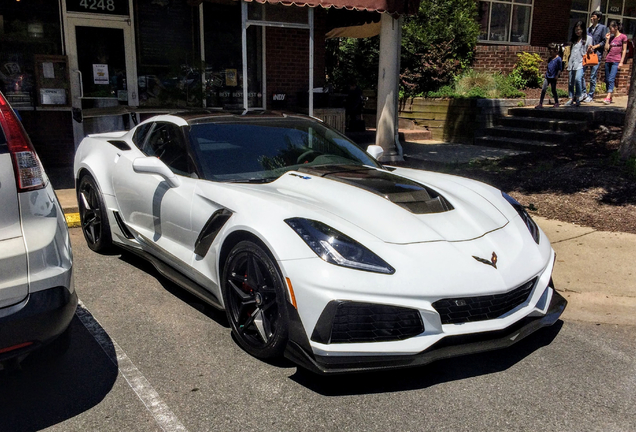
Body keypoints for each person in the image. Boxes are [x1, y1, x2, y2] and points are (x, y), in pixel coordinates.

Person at [564, 21, 592, 107]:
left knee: (578, 79)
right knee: (570, 81)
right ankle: (571, 97)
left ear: (583, 29)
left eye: (579, 29)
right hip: (572, 62)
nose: (577, 31)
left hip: (581, 62)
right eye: (576, 30)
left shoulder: (588, 38)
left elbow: (590, 52)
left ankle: (578, 97)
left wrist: (590, 50)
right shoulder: (573, 39)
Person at [581, 11, 607, 103]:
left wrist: (595, 47)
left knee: (592, 76)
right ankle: (584, 92)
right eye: (591, 16)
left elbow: (604, 41)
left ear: (598, 18)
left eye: (594, 16)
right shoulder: (588, 29)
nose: (591, 18)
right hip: (587, 55)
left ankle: (591, 95)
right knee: (581, 74)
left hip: (596, 55)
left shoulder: (603, 28)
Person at [603, 20, 628, 105]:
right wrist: (607, 39)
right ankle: (610, 95)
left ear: (616, 27)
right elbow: (606, 48)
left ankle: (608, 96)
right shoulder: (611, 38)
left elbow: (624, 50)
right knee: (607, 79)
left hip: (616, 60)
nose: (610, 30)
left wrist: (621, 62)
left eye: (611, 28)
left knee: (611, 78)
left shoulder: (623, 37)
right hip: (608, 59)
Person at [536, 43, 562, 108]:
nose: (550, 52)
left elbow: (560, 69)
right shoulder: (550, 59)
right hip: (548, 76)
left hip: (553, 77)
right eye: (549, 51)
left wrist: (557, 75)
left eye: (552, 51)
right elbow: (548, 67)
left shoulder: (558, 59)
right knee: (543, 89)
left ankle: (556, 102)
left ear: (556, 50)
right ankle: (540, 103)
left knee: (553, 90)